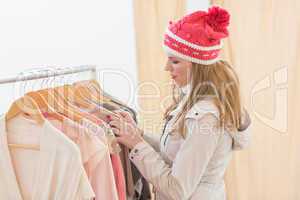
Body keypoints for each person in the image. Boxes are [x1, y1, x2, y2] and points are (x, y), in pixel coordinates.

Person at [108, 5, 251, 200]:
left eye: (175, 61)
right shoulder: (194, 102)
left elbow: (177, 190)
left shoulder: (206, 117)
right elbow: (177, 152)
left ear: (198, 65)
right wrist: (139, 135)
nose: (166, 67)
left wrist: (136, 144)